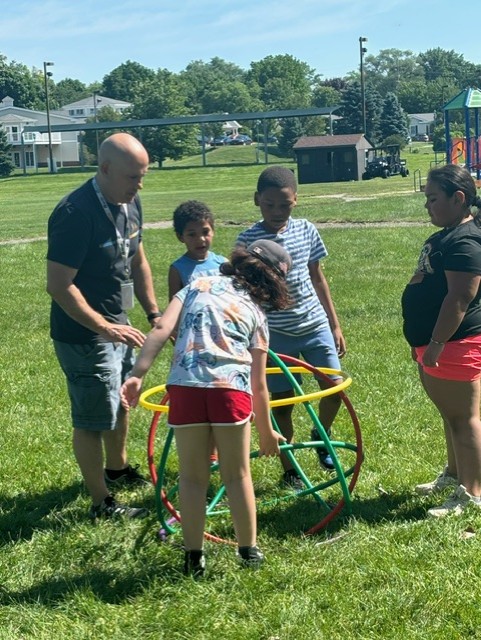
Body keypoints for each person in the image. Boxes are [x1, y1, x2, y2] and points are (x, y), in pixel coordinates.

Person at [120, 240, 290, 576]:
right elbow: (258, 384)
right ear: (271, 283)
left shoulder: (197, 285)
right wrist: (267, 430)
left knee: (192, 478)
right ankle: (248, 551)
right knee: (237, 474)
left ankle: (193, 557)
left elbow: (161, 328)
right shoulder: (256, 314)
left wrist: (138, 374)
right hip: (230, 391)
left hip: (186, 388)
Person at [46, 132, 163, 521]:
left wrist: (152, 313)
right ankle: (101, 503)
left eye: (143, 176)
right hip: (84, 332)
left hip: (120, 323)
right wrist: (105, 328)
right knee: (92, 417)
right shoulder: (74, 215)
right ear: (105, 168)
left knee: (122, 400)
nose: (139, 184)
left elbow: (138, 260)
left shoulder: (130, 202)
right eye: (133, 177)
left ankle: (117, 468)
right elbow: (59, 286)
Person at [236, 166, 346, 490]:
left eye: (284, 205)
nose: (276, 211)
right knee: (283, 402)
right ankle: (291, 470)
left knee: (334, 388)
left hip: (314, 324)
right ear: (257, 200)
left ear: (296, 200)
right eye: (269, 205)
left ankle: (320, 434)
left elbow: (317, 277)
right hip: (274, 334)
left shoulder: (307, 230)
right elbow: (244, 292)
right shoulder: (247, 239)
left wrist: (334, 323)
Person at [402, 164, 481, 517]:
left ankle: (473, 493)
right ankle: (453, 475)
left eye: (433, 199)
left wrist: (435, 343)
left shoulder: (465, 240)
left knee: (465, 420)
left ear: (458, 198)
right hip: (435, 343)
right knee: (451, 416)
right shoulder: (448, 234)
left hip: (454, 344)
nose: (427, 206)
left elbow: (459, 300)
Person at [168, 200, 227, 300]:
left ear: (213, 231)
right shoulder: (177, 269)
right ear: (180, 237)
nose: (201, 239)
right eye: (192, 234)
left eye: (205, 232)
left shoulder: (223, 263)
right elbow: (174, 307)